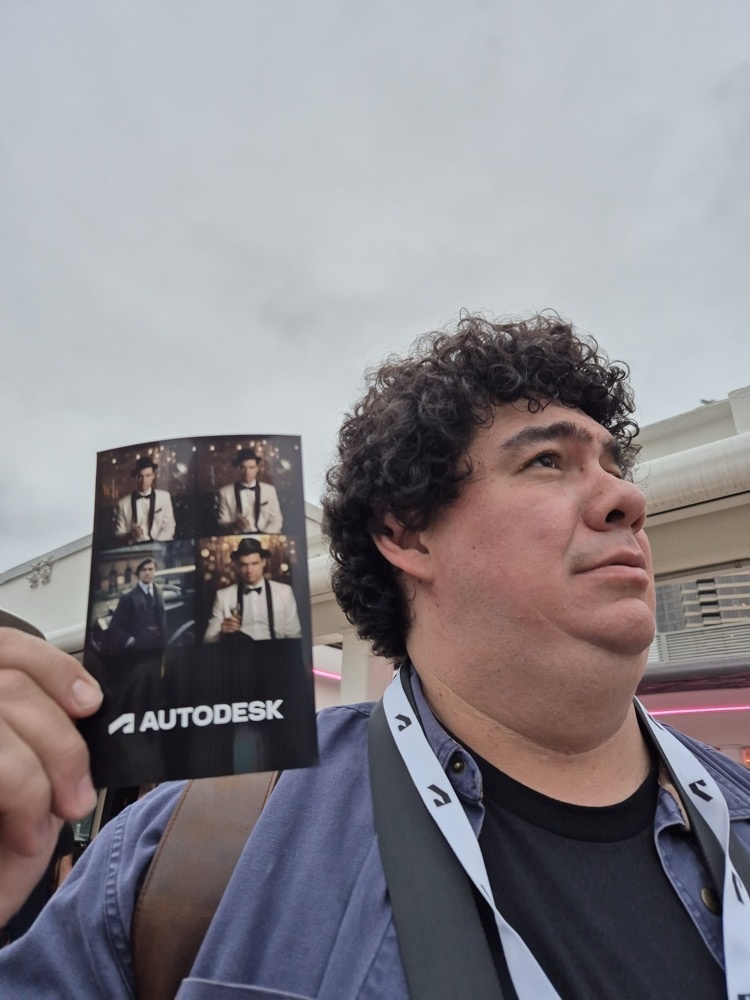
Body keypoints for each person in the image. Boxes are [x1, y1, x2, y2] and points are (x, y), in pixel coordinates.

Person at [1, 312, 750, 999]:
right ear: (407, 534)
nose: (627, 499)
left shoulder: (736, 812)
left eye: (615, 466)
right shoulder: (189, 850)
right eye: (549, 461)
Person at [203, 537, 301, 642]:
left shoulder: (285, 592)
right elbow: (207, 639)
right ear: (237, 566)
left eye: (254, 563)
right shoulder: (223, 596)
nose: (249, 570)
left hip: (276, 650)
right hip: (241, 651)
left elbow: (294, 635)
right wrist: (221, 633)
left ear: (263, 562)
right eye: (244, 565)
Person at [105, 558, 168, 652]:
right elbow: (115, 627)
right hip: (139, 648)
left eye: (150, 569)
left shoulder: (159, 592)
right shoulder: (128, 598)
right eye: (144, 569)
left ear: (155, 571)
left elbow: (162, 619)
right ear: (138, 573)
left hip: (158, 645)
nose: (147, 572)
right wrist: (131, 641)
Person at [216, 448, 283, 534]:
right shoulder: (225, 492)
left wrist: (263, 537)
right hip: (237, 538)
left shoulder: (269, 490)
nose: (247, 472)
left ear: (257, 468)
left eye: (251, 467)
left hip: (265, 535)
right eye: (243, 467)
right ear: (238, 469)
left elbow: (277, 520)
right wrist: (235, 525)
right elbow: (222, 523)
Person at [114, 457, 176, 543]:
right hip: (134, 548)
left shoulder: (164, 497)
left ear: (153, 476)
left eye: (148, 475)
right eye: (140, 476)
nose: (144, 480)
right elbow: (119, 534)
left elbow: (169, 527)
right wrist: (130, 535)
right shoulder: (123, 503)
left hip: (158, 546)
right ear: (136, 477)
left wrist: (155, 545)